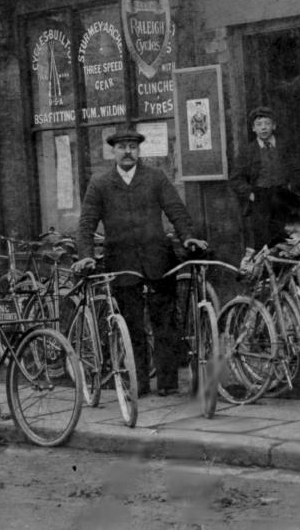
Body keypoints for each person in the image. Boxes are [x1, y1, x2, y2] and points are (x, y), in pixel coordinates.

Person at [73, 123, 208, 397]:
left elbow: (176, 210)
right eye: (122, 147)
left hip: (158, 258)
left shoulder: (155, 177)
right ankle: (140, 383)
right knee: (132, 324)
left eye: (132, 147)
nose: (127, 152)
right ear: (113, 152)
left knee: (165, 322)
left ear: (138, 151)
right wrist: (86, 256)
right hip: (122, 262)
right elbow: (86, 224)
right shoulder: (100, 183)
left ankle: (168, 383)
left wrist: (188, 237)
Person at [229, 106, 300, 250]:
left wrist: (292, 189)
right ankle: (266, 271)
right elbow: (235, 178)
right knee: (263, 240)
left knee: (286, 239)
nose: (263, 128)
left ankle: (285, 271)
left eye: (267, 123)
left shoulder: (284, 146)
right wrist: (250, 194)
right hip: (260, 199)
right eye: (259, 125)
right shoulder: (248, 151)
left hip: (283, 197)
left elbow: (298, 170)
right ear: (253, 129)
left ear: (274, 126)